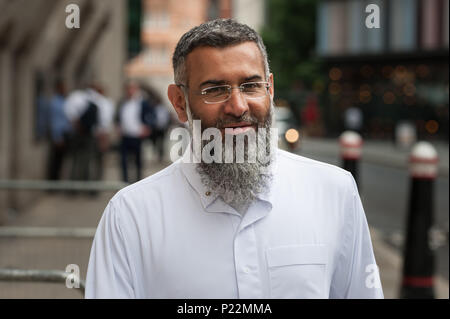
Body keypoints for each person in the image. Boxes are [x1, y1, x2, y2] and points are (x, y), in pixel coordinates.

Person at [86, 19, 383, 299]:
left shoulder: (335, 192)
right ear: (179, 102)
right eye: (215, 90)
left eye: (251, 85)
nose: (238, 106)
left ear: (270, 88)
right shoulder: (130, 216)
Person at [64, 83, 113, 184]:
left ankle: (77, 185)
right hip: (93, 135)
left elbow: (69, 113)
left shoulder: (78, 97)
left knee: (78, 160)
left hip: (81, 133)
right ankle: (89, 186)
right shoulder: (102, 102)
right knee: (91, 161)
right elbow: (104, 121)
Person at [115, 80, 152, 183]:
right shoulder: (122, 102)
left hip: (137, 136)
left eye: (132, 89)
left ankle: (138, 182)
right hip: (125, 135)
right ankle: (125, 182)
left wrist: (147, 127)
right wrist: (118, 126)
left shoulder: (142, 103)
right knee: (124, 161)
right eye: (128, 89)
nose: (130, 91)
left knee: (138, 161)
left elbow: (151, 116)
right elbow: (117, 117)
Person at [47, 79, 71, 181]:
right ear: (58, 89)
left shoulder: (64, 100)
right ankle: (53, 181)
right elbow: (55, 121)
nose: (65, 90)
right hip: (59, 135)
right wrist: (58, 137)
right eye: (62, 88)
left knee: (61, 161)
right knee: (56, 161)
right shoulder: (55, 102)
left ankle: (58, 180)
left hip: (65, 134)